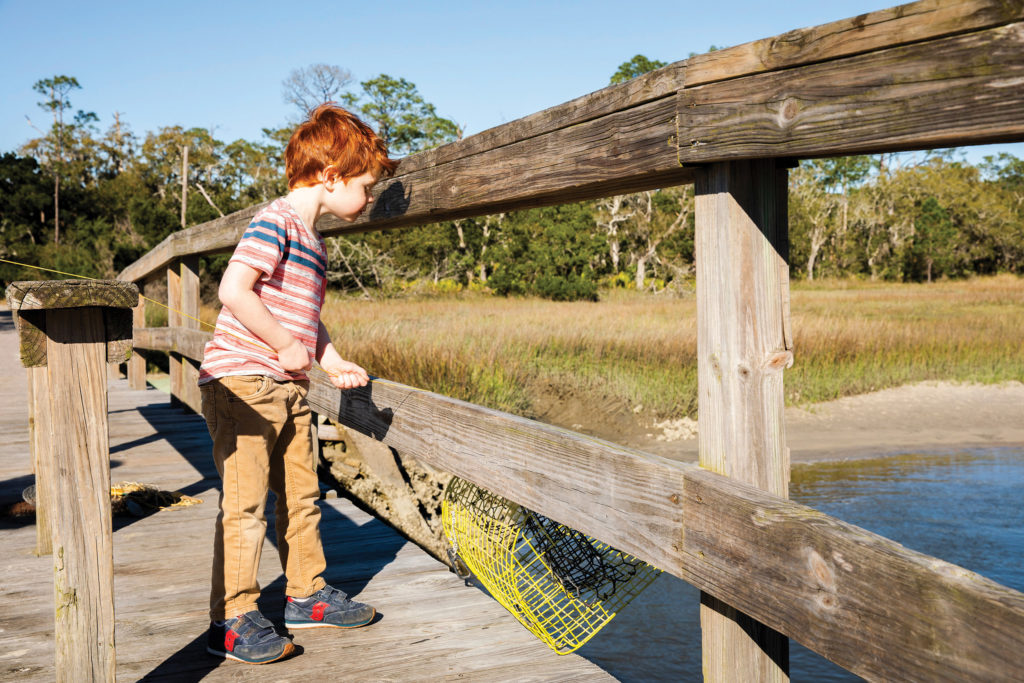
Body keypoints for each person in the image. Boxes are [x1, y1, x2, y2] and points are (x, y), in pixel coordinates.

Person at [197, 103, 399, 664]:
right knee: (244, 506)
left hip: (288, 387)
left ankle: (306, 593)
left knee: (303, 494)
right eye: (365, 186)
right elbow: (235, 291)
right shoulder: (276, 221)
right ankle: (231, 619)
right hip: (242, 382)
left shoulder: (314, 241)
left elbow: (307, 318)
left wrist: (328, 359)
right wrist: (286, 347)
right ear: (331, 177)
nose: (368, 198)